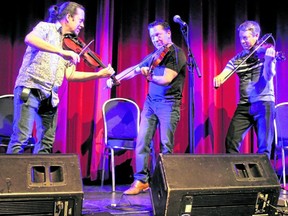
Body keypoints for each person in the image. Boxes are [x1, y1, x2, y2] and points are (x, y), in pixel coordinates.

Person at [6, 2, 115, 154]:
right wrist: (60, 52)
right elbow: (29, 39)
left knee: (46, 144)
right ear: (69, 17)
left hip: (51, 96)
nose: (82, 25)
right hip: (30, 88)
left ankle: (39, 178)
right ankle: (12, 178)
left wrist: (98, 75)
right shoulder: (46, 28)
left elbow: (70, 75)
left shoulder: (70, 44)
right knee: (21, 138)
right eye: (80, 20)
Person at [106, 20, 187, 195]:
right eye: (152, 36)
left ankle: (166, 182)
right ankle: (141, 180)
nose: (156, 39)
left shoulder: (176, 54)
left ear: (168, 33)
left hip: (169, 104)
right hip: (151, 104)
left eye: (158, 34)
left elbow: (166, 79)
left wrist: (149, 76)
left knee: (166, 145)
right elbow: (135, 69)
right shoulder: (155, 54)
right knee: (143, 141)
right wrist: (115, 79)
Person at [213, 20, 276, 158]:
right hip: (244, 105)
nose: (243, 41)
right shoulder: (238, 59)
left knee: (264, 147)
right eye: (241, 38)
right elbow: (224, 74)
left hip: (263, 103)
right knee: (231, 142)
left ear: (256, 35)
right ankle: (237, 175)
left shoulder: (266, 52)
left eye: (246, 37)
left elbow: (268, 75)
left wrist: (268, 61)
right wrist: (218, 79)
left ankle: (263, 179)